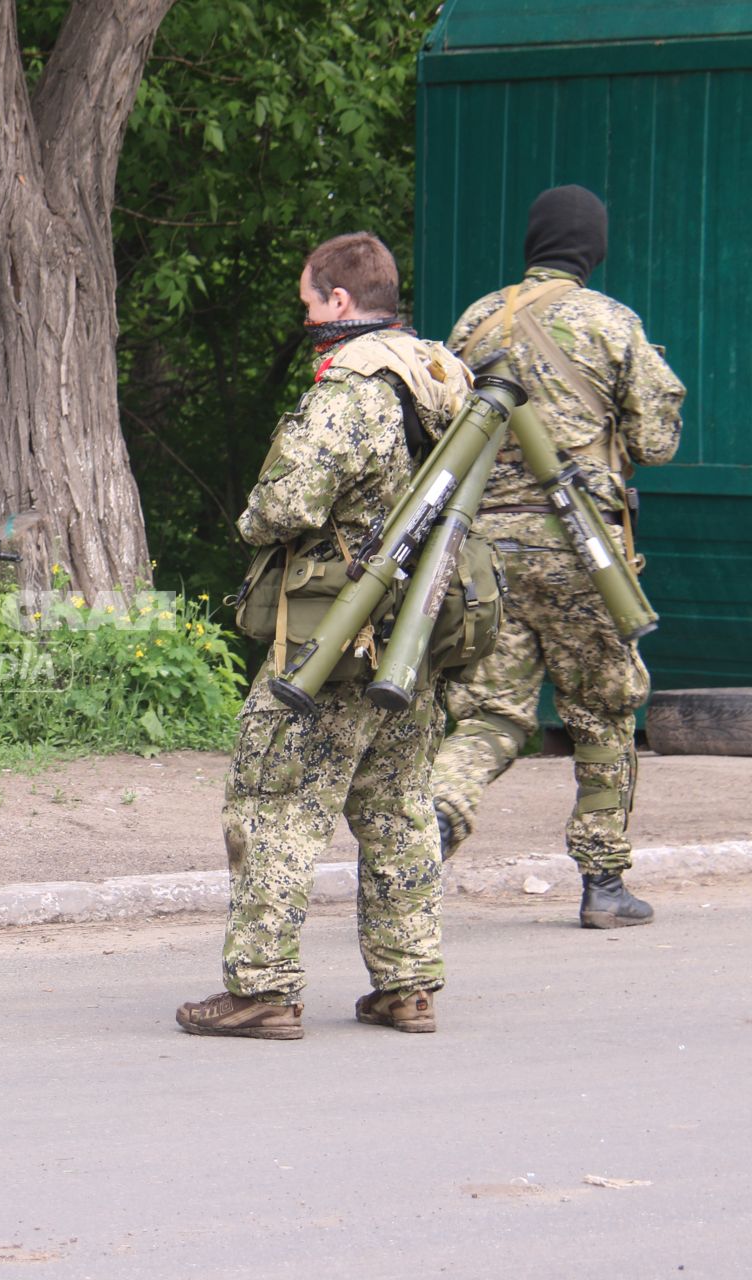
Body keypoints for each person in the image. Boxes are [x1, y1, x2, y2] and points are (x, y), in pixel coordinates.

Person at [177, 232, 467, 1040]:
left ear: (339, 302)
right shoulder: (444, 377)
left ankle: (263, 987)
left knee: (272, 803)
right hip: (418, 630)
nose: (304, 314)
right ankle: (407, 985)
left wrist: (254, 514)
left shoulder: (352, 388)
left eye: (308, 300)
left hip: (336, 637)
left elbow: (280, 505)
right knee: (399, 806)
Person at [431, 185, 685, 929]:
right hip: (582, 550)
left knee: (489, 715)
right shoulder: (613, 323)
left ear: (533, 243)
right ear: (593, 248)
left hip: (488, 550)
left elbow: (446, 425)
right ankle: (604, 884)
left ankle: (437, 819)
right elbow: (657, 444)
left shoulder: (475, 321)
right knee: (603, 710)